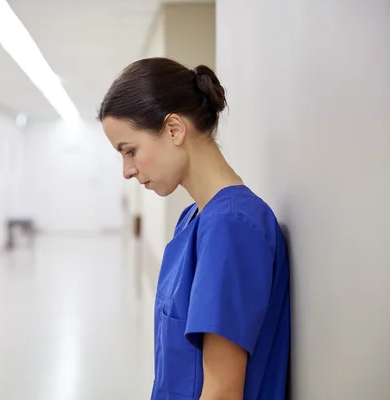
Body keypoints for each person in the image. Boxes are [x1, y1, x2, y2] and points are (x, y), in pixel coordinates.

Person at [98, 58, 291, 400]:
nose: (127, 170)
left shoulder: (232, 228)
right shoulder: (194, 218)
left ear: (174, 129)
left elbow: (221, 392)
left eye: (130, 151)